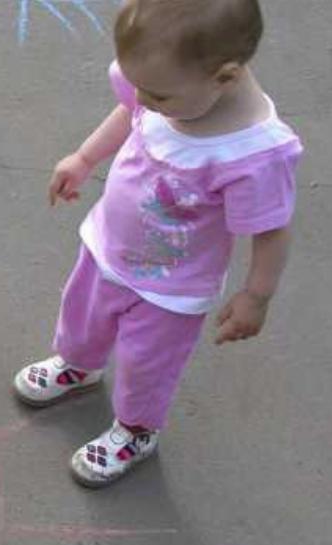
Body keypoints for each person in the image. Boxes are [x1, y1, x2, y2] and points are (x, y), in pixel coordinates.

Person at [15, 0, 301, 486]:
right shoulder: (168, 84)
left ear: (225, 77)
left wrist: (257, 295)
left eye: (158, 95)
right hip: (108, 244)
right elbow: (128, 112)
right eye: (139, 86)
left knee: (147, 364)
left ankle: (136, 429)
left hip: (171, 288)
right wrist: (84, 158)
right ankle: (78, 365)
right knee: (83, 313)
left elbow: (271, 228)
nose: (144, 100)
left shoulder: (251, 154)